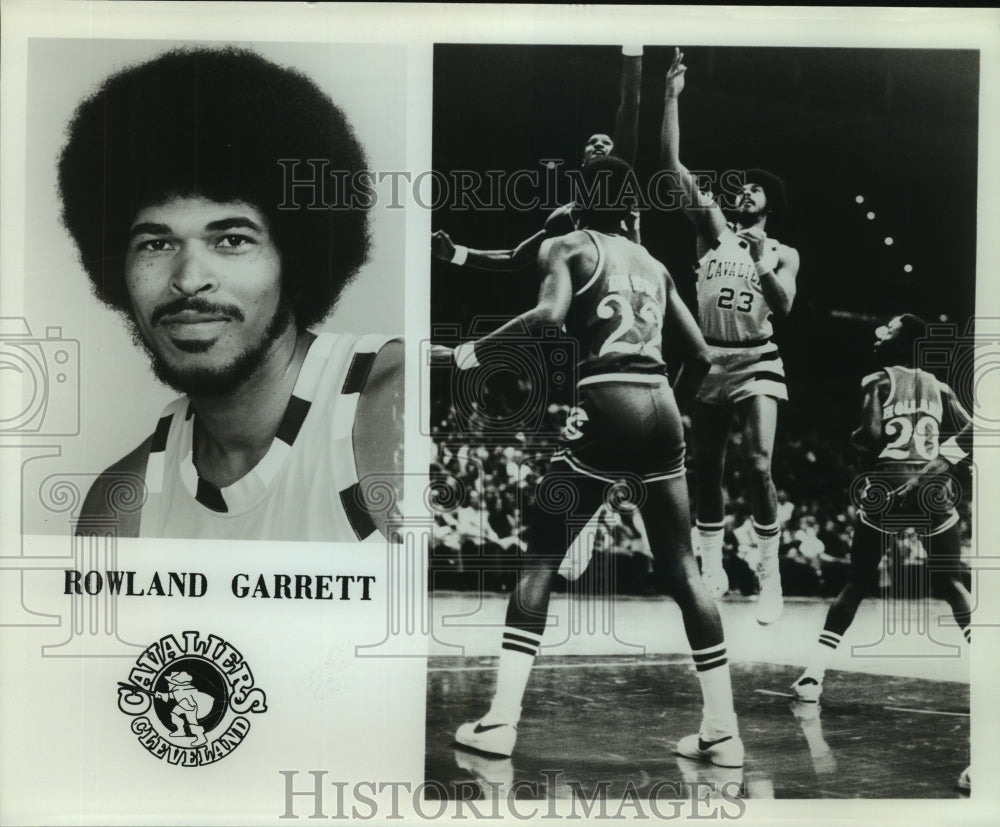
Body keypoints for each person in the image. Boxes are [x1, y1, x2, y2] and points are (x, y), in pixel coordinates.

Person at [439, 156, 744, 768]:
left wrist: (467, 355)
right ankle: (724, 732)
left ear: (579, 201)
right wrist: (661, 414)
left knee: (542, 559)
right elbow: (706, 357)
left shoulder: (567, 244)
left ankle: (500, 722)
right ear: (632, 208)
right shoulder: (654, 265)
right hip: (661, 410)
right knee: (685, 572)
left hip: (604, 401)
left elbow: (549, 317)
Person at [61, 47, 403, 541]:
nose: (189, 278)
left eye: (232, 240)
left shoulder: (392, 409)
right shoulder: (120, 508)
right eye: (156, 243)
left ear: (297, 255)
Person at [790, 315, 972, 790]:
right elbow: (974, 432)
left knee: (858, 581)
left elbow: (871, 437)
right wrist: (941, 460)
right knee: (952, 584)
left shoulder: (875, 379)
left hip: (888, 483)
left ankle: (813, 677)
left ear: (898, 342)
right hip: (934, 484)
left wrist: (855, 439)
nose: (878, 331)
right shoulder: (939, 385)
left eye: (887, 328)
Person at [659, 48, 801, 624]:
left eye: (753, 191)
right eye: (739, 188)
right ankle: (712, 563)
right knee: (705, 470)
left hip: (758, 358)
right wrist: (671, 97)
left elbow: (785, 308)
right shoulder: (713, 232)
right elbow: (671, 166)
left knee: (760, 465)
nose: (742, 192)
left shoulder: (784, 252)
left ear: (770, 204)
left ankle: (771, 572)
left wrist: (763, 260)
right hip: (709, 359)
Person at [431, 46, 644, 271]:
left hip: (636, 283)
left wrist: (633, 48)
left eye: (606, 143)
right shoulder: (565, 217)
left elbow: (630, 109)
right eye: (592, 142)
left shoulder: (620, 183)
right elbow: (515, 257)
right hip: (593, 292)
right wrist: (455, 253)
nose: (599, 144)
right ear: (583, 163)